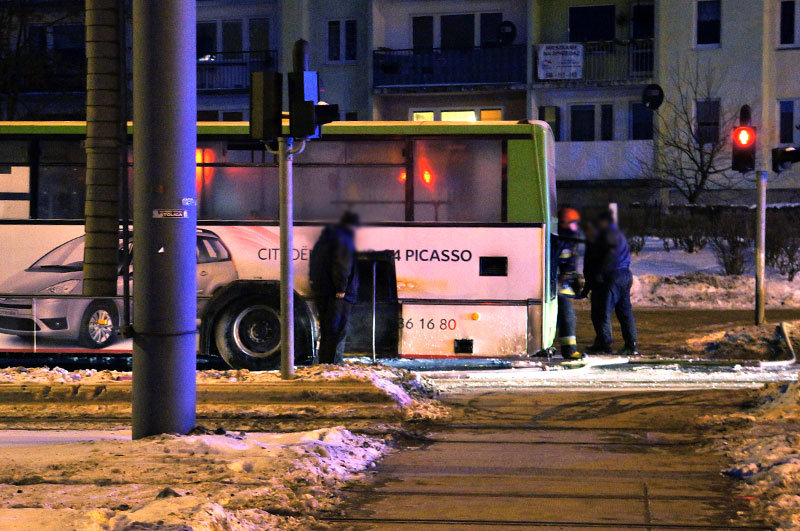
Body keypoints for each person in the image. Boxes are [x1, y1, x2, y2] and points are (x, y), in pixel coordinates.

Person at [582, 210, 638, 357]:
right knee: (624, 313)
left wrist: (598, 274)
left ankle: (604, 344)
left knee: (602, 312)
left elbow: (608, 256)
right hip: (625, 275)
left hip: (612, 276)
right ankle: (631, 345)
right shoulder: (618, 234)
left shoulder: (606, 235)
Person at [309, 212, 361, 365]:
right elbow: (342, 265)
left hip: (322, 291)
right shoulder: (344, 238)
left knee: (327, 329)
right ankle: (334, 363)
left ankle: (324, 362)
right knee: (337, 329)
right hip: (337, 294)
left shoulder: (324, 239)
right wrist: (341, 288)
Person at [553, 208, 584, 359]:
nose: (575, 226)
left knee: (564, 317)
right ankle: (569, 350)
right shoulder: (560, 239)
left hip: (561, 284)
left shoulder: (568, 239)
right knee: (567, 317)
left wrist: (574, 279)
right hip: (557, 285)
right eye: (572, 222)